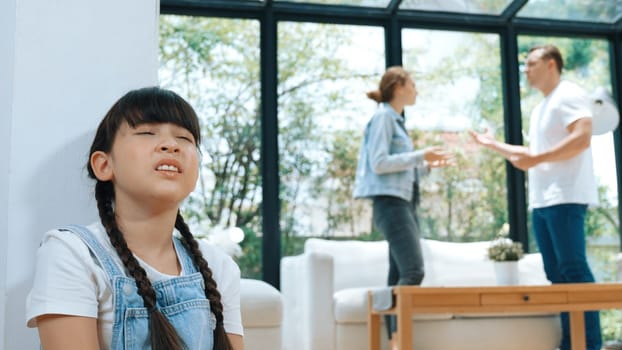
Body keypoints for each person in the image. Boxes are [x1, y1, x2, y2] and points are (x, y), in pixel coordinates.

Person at [26, 87, 244, 350]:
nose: (171, 145)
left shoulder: (219, 267)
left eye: (185, 138)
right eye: (147, 133)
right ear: (104, 165)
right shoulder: (72, 254)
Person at [469, 44, 602, 350]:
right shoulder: (542, 106)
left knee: (573, 270)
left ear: (551, 64)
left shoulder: (568, 93)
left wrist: (538, 158)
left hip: (565, 197)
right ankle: (573, 343)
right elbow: (531, 155)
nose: (525, 70)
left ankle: (589, 345)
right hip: (542, 202)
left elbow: (581, 137)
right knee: (556, 274)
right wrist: (492, 145)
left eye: (531, 64)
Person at [353, 66, 454, 348]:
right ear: (399, 87)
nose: (417, 90)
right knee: (413, 271)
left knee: (398, 275)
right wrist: (421, 154)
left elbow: (403, 171)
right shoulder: (384, 116)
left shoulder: (396, 121)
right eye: (413, 84)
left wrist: (427, 165)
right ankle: (398, 341)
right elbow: (379, 163)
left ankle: (393, 341)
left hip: (402, 203)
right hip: (390, 204)